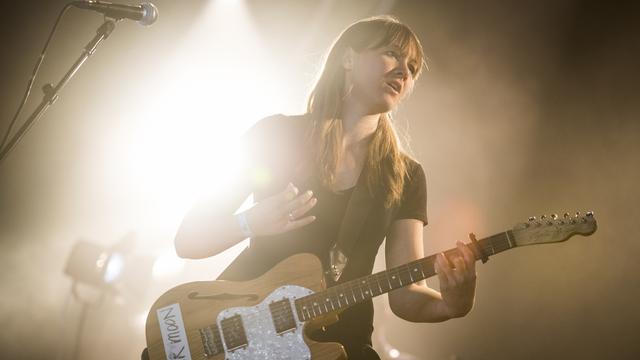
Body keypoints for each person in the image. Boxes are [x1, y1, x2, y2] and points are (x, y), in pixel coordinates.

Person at [174, 15, 477, 360]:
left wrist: (455, 303)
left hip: (337, 345)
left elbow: (406, 294)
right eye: (392, 54)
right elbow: (188, 239)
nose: (403, 72)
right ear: (348, 59)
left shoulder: (405, 175)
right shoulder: (275, 136)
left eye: (412, 68)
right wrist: (250, 222)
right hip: (241, 333)